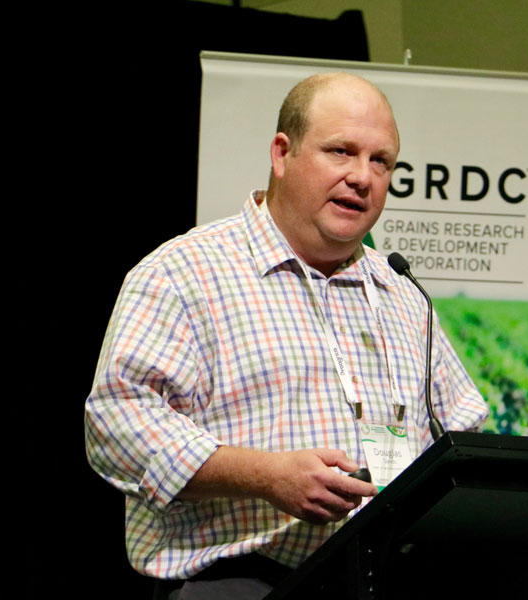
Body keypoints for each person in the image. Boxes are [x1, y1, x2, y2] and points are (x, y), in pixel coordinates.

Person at [85, 72, 488, 600]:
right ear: (282, 153)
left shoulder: (401, 293)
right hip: (243, 586)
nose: (362, 178)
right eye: (341, 151)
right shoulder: (184, 273)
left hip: (389, 580)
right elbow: (117, 425)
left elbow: (461, 432)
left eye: (381, 161)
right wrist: (265, 476)